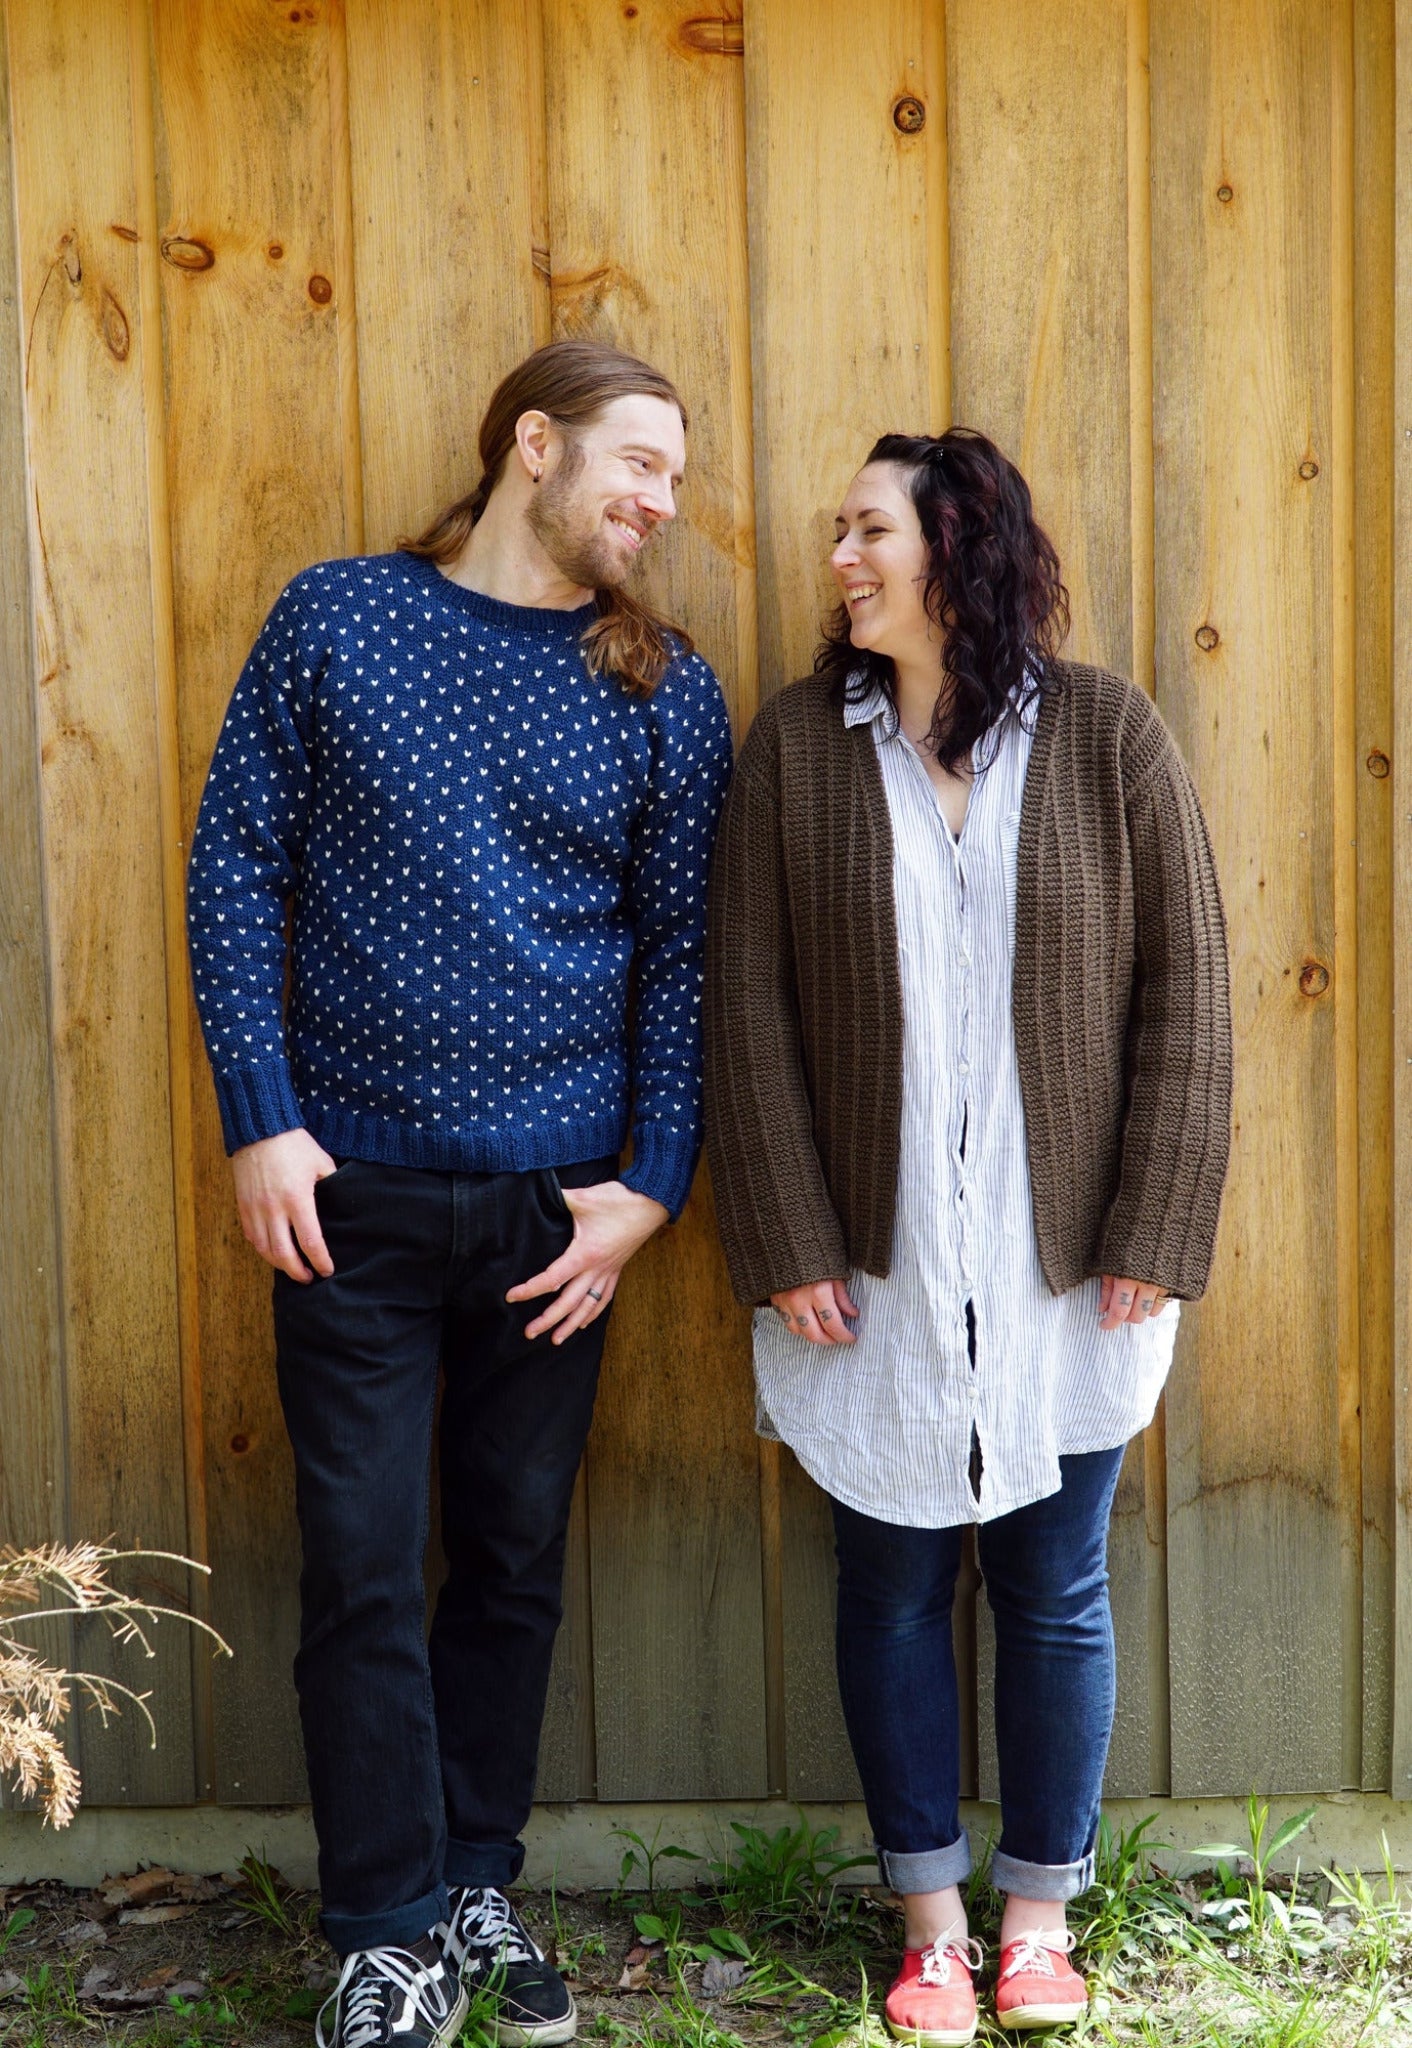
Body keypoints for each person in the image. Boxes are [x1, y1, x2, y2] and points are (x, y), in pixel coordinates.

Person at [187, 340, 733, 2048]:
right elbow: (236, 864)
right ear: (533, 445)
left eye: (677, 481)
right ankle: (383, 1933)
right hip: (343, 1194)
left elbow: (682, 965)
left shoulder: (666, 688)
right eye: (638, 465)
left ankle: (477, 1881)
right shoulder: (338, 620)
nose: (660, 502)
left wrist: (647, 1187)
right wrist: (260, 1120)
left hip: (554, 1217)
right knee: (357, 1564)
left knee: (507, 1556)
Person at [705, 429, 1231, 2041]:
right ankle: (928, 1921)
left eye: (868, 529)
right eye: (835, 532)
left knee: (1059, 1586)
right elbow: (748, 1011)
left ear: (961, 544)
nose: (840, 558)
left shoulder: (1107, 736)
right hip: (873, 1265)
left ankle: (1037, 1922)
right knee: (890, 1585)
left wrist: (1155, 1213)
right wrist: (787, 1227)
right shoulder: (796, 749)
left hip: (1066, 1258)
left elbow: (1190, 1001)